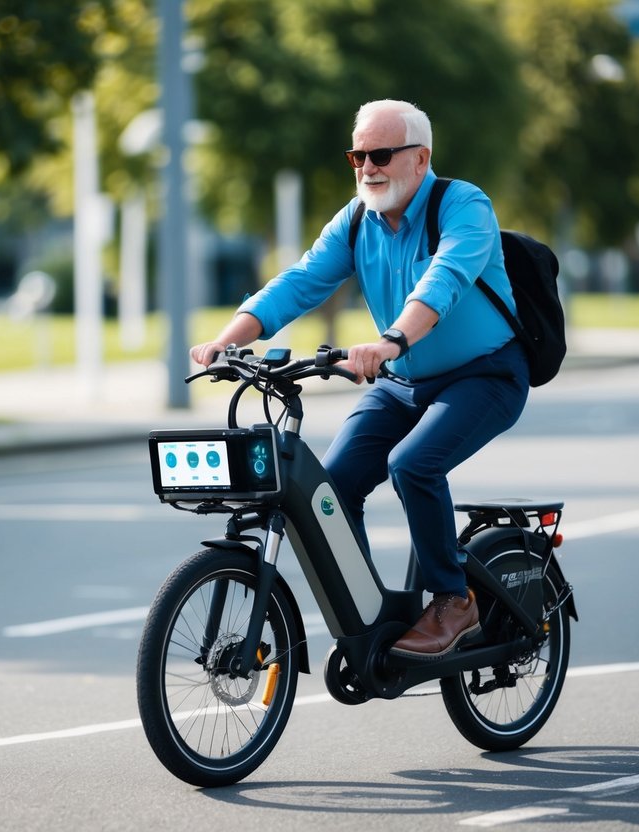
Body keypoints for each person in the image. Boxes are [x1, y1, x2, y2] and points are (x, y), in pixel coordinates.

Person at [190, 100, 530, 660]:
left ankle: (453, 599)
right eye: (357, 155)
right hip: (404, 383)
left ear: (420, 159)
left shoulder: (464, 205)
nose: (366, 167)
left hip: (485, 374)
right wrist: (232, 337)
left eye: (380, 154)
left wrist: (392, 339)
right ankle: (371, 611)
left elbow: (445, 278)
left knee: (413, 465)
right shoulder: (356, 220)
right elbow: (300, 281)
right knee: (332, 486)